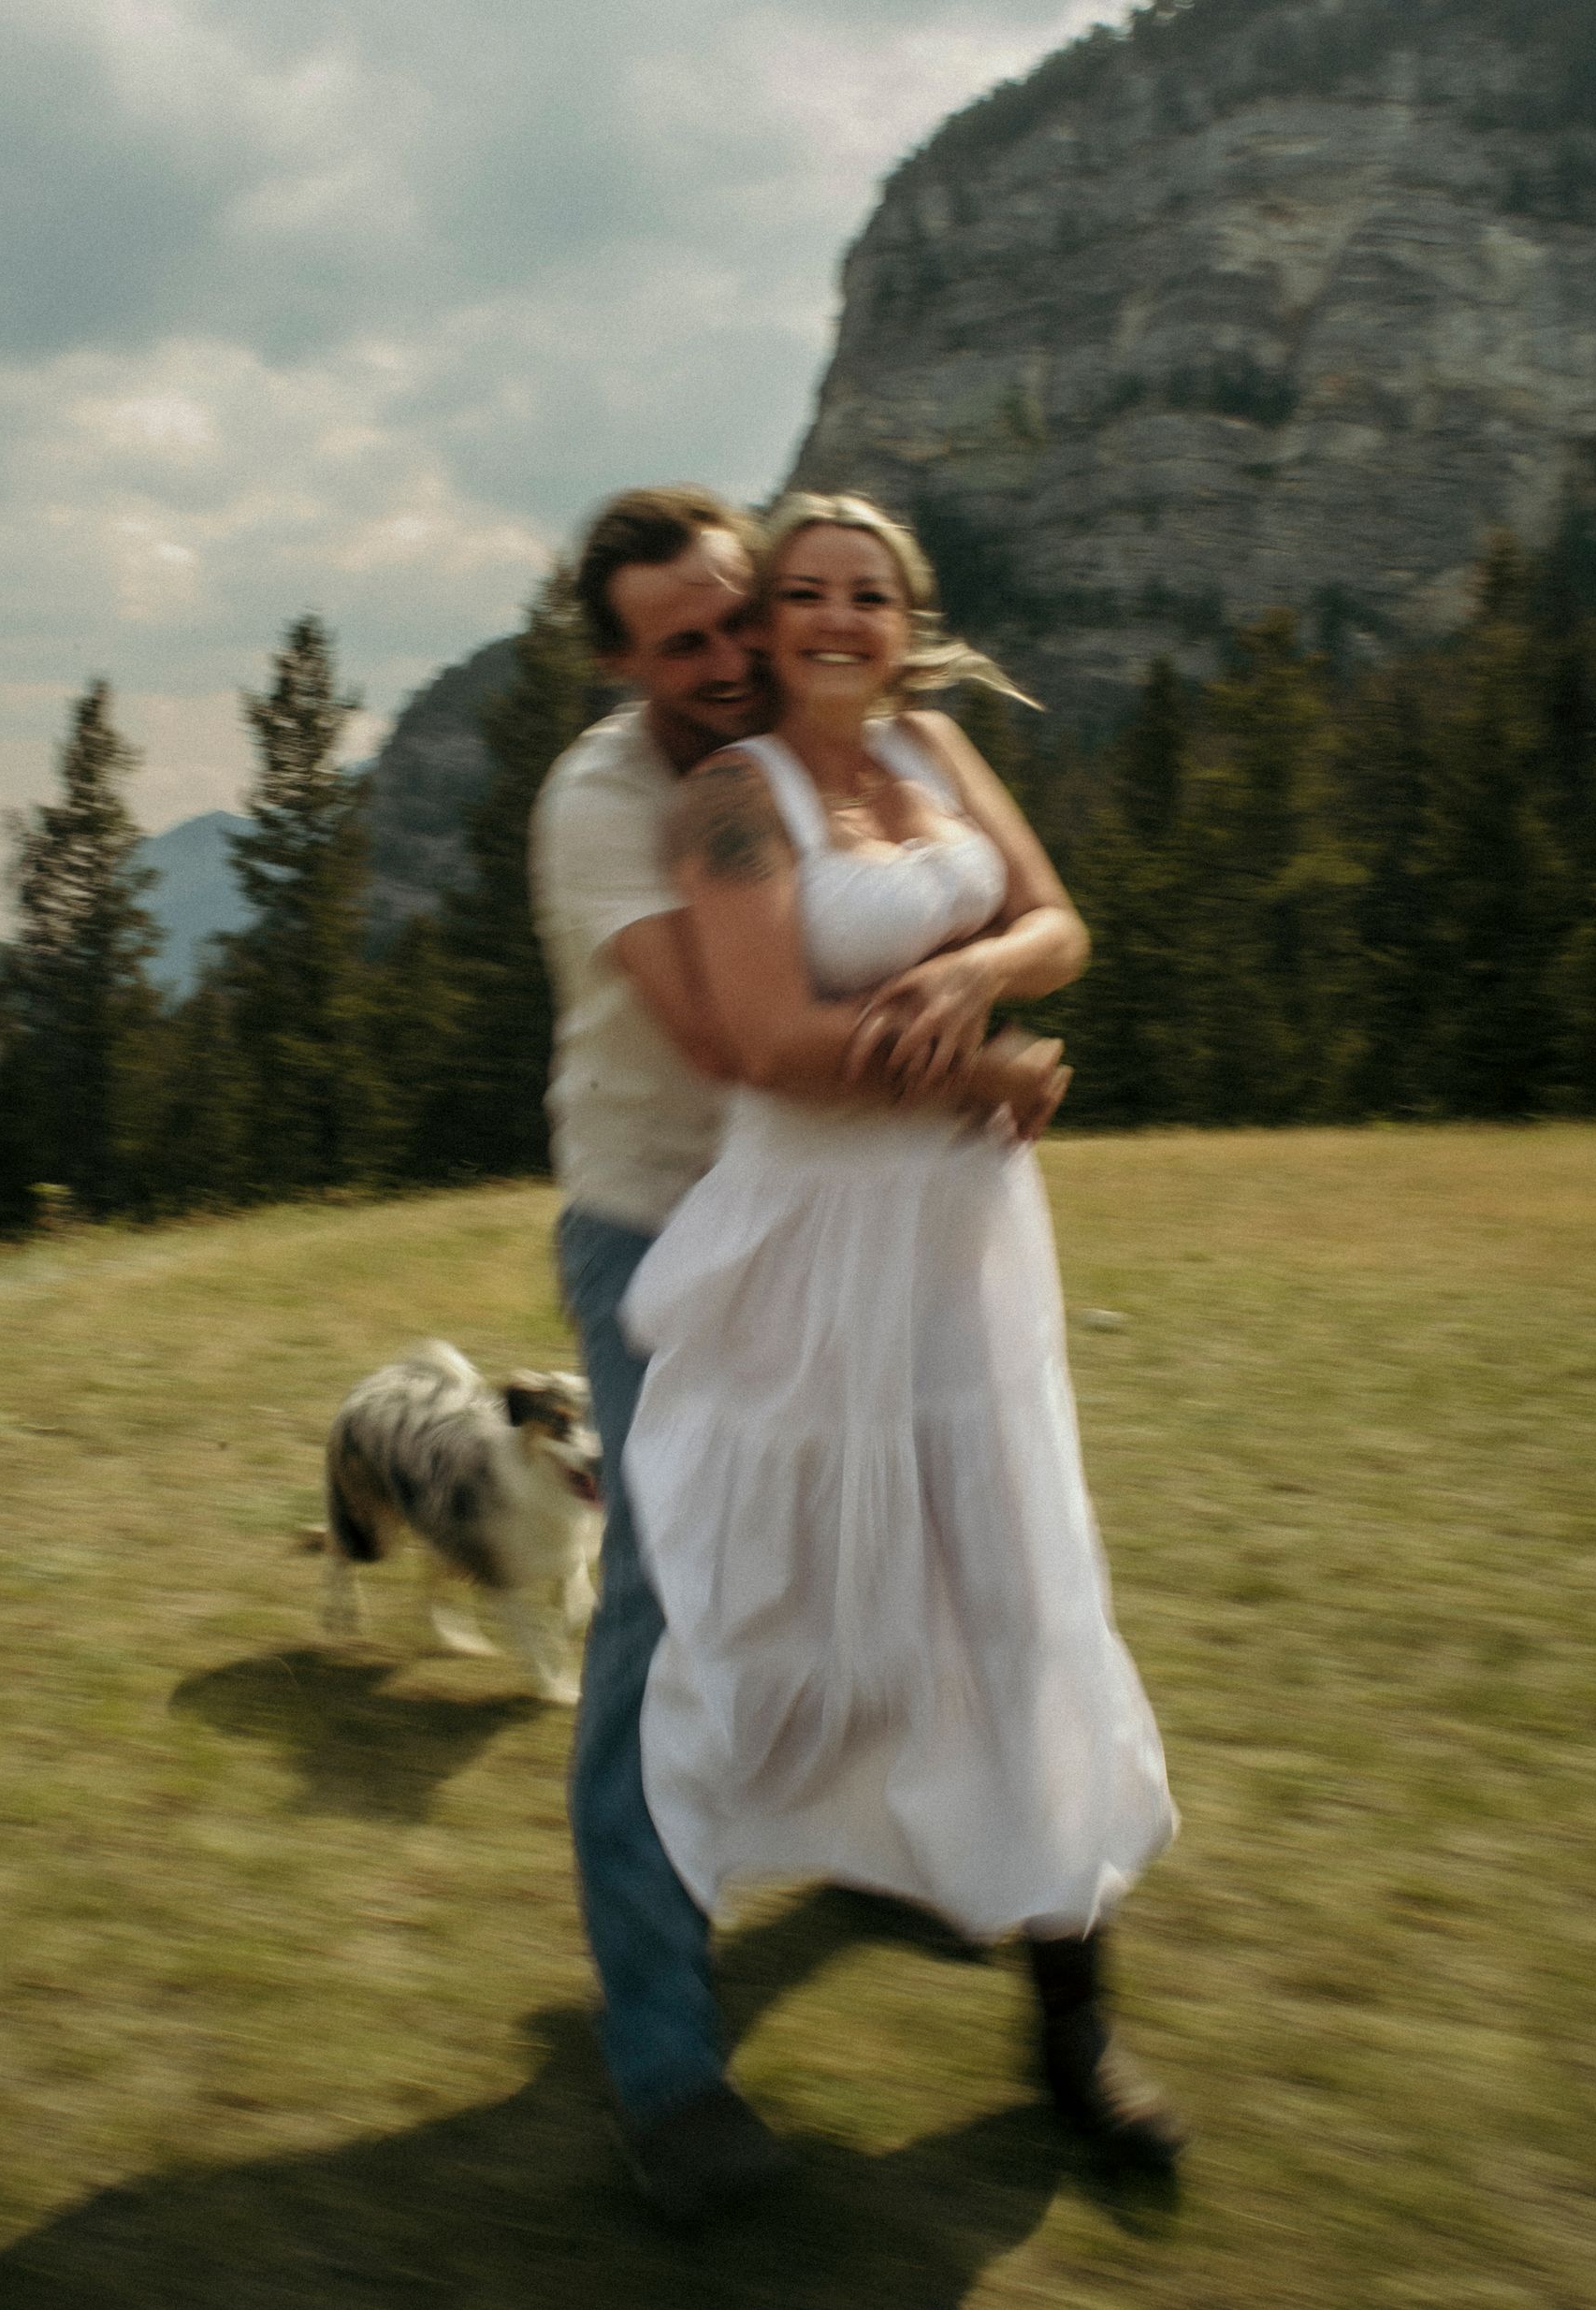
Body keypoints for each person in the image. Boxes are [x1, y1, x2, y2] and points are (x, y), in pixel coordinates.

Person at [530, 487, 1088, 2221]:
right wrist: (991, 1067)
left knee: (913, 1563)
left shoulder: (845, 743)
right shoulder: (619, 801)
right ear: (627, 661)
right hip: (662, 1225)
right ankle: (665, 2060)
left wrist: (988, 963)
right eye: (679, 638)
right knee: (679, 1603)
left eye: (730, 618)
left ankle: (884, 1852)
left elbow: (1000, 916)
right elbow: (738, 1035)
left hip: (881, 1233)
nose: (718, 657)